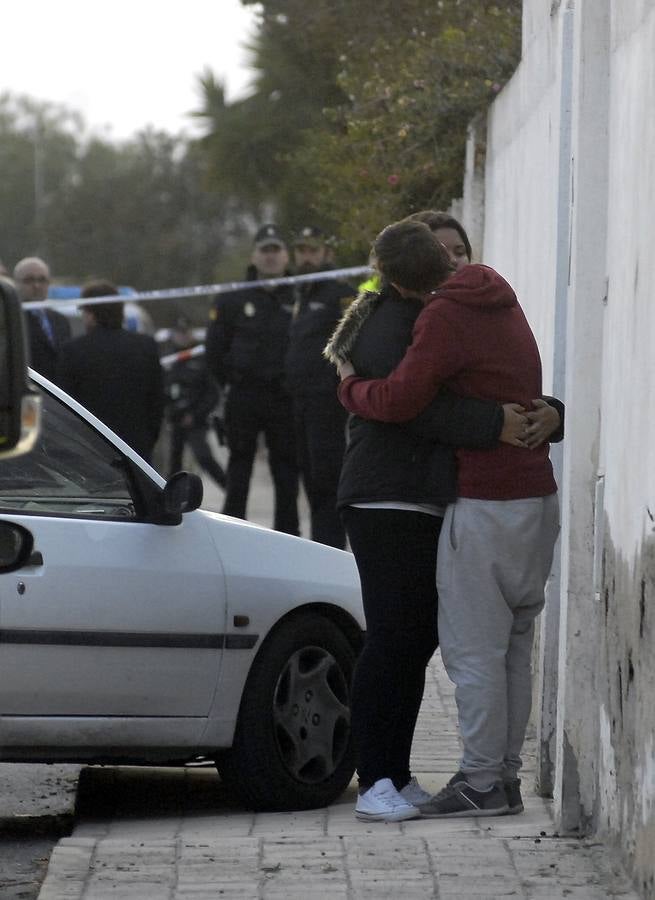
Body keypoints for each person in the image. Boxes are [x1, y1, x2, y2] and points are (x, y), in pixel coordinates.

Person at [324, 216, 562, 822]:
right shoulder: (428, 315)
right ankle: (388, 774)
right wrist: (504, 421)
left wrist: (542, 412)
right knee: (406, 641)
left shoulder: (443, 312)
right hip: (394, 496)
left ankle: (444, 776)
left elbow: (427, 396)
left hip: (456, 498)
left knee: (440, 643)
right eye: (444, 252)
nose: (453, 263)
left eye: (461, 251)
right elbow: (410, 408)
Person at [205, 224, 299, 535]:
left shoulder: (299, 294)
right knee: (239, 469)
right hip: (244, 395)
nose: (270, 257)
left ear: (286, 257)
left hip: (285, 397)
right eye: (265, 250)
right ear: (253, 256)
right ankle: (235, 534)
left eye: (276, 250)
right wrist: (230, 383)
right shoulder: (232, 299)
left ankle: (288, 537)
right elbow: (215, 350)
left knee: (286, 472)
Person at [285, 226, 355, 548]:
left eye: (313, 250)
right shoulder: (302, 293)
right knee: (310, 480)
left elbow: (352, 342)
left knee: (327, 479)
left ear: (326, 254)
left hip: (326, 402)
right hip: (299, 401)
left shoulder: (337, 293)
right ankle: (318, 546)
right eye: (302, 250)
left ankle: (330, 549)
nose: (307, 257)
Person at [56, 280, 164, 463]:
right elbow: (157, 400)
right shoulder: (146, 347)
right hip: (137, 448)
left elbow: (66, 404)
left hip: (91, 450)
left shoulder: (74, 350)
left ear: (90, 314)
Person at [165, 319, 226, 488]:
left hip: (196, 420)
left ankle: (229, 488)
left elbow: (212, 394)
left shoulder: (201, 359)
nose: (182, 337)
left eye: (185, 333)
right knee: (174, 464)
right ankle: (171, 497)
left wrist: (196, 414)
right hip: (175, 419)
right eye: (179, 333)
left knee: (204, 457)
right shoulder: (169, 360)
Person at [13, 256, 71, 382]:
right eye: (29, 280)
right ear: (15, 283)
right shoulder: (11, 320)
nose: (36, 285)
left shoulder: (61, 320)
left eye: (42, 280)